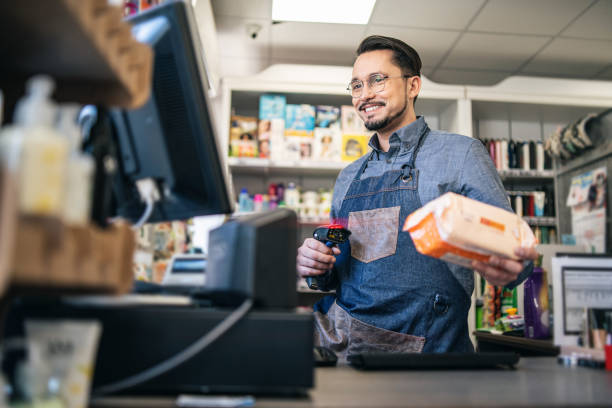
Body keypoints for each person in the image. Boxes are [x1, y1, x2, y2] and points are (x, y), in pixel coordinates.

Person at [296, 35, 538, 360]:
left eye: (377, 80)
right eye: (356, 86)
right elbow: (341, 272)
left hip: (419, 357)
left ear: (413, 86)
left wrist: (514, 265)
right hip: (335, 346)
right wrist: (317, 267)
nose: (364, 95)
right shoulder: (348, 176)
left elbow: (516, 254)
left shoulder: (460, 155)